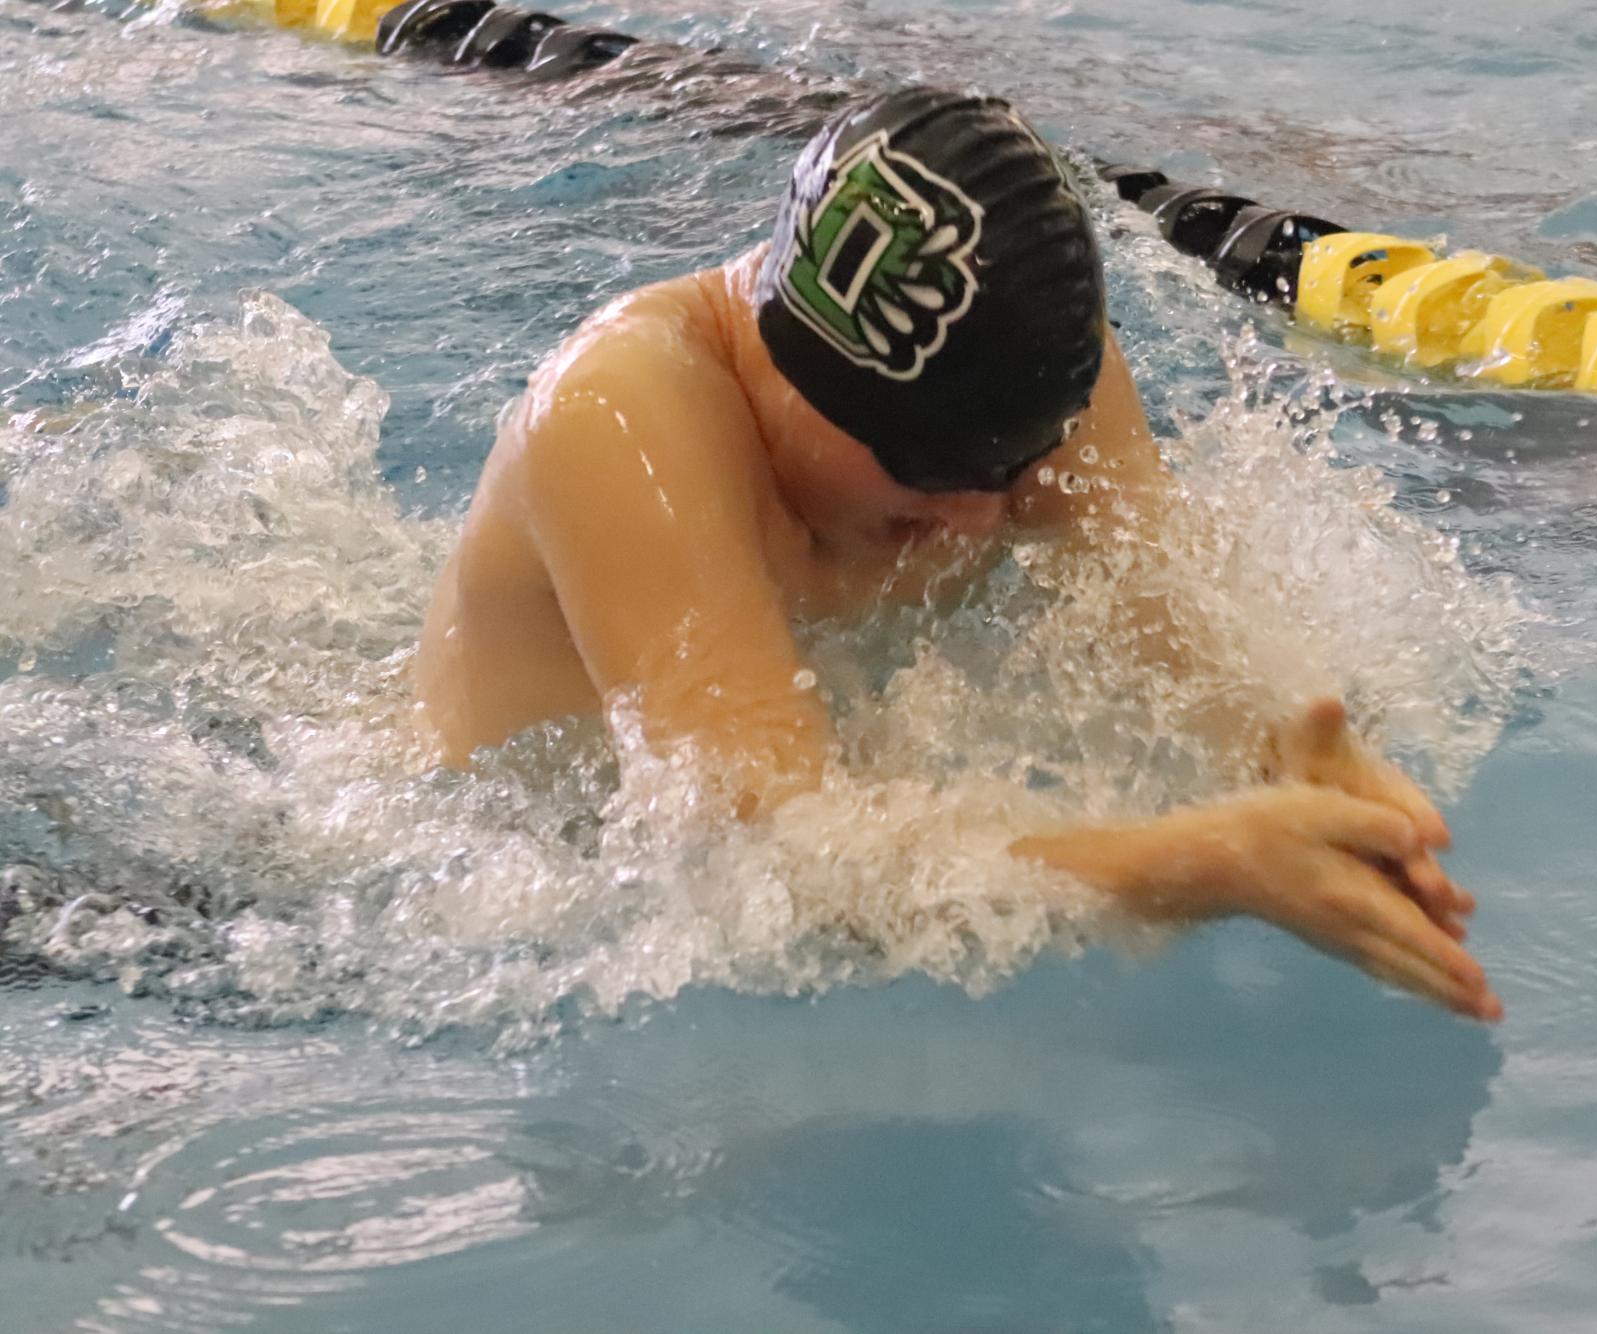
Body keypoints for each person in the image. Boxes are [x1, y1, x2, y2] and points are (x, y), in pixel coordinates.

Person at [413, 86, 1503, 1022]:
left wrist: (1290, 753)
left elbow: (1169, 617)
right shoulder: (621, 420)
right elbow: (768, 865)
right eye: (928, 469)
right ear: (793, 376)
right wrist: (1185, 863)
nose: (979, 520)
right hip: (480, 875)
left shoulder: (1021, 389)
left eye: (1009, 469)